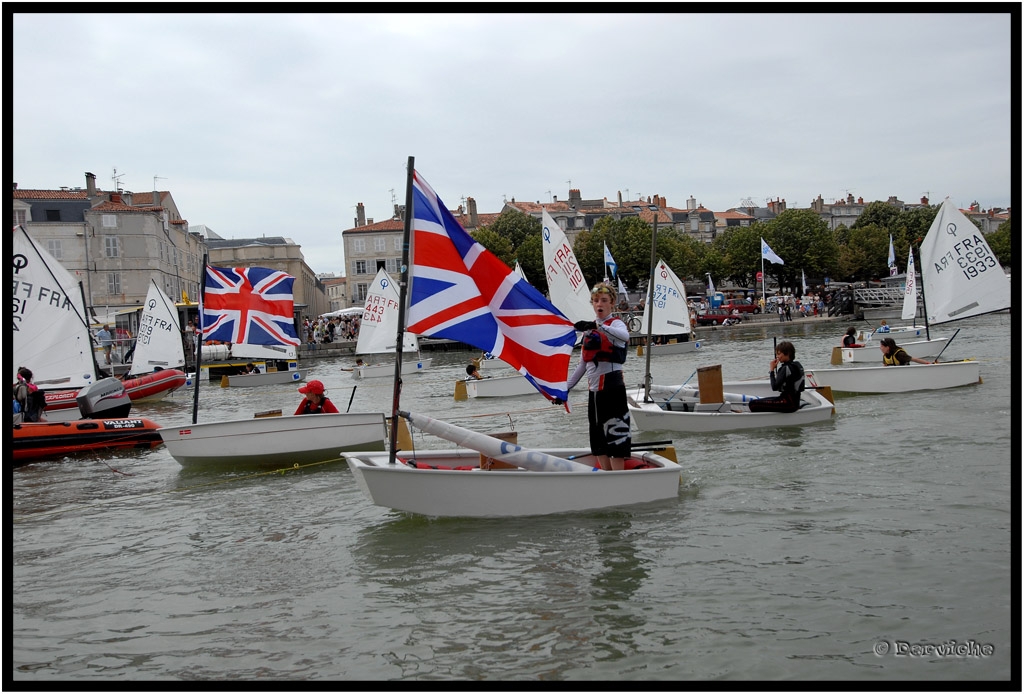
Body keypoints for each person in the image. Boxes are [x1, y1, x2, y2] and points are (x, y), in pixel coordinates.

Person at [558, 281, 631, 471]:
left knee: (615, 436)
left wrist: (598, 326)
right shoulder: (590, 329)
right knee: (597, 438)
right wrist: (566, 388)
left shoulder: (616, 324)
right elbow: (583, 363)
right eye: (596, 300)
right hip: (595, 392)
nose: (599, 304)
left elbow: (625, 337)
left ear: (612, 303)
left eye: (604, 300)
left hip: (613, 389)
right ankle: (606, 475)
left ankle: (619, 477)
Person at [748, 341, 805, 413]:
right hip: (795, 402)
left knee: (752, 404)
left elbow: (774, 387)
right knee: (763, 401)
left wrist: (772, 370)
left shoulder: (785, 368)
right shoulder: (797, 365)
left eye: (779, 354)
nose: (777, 356)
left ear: (787, 353)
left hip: (787, 403)